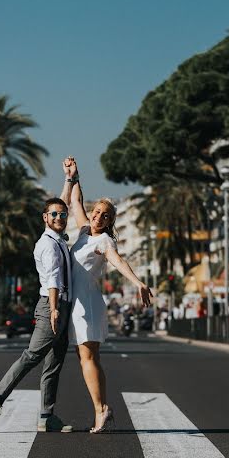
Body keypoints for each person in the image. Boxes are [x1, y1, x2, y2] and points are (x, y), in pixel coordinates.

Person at [60, 156, 152, 433]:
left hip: (84, 303)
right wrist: (74, 175)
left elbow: (117, 260)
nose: (99, 217)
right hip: (79, 301)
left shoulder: (104, 240)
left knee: (87, 358)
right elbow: (76, 201)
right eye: (97, 212)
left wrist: (137, 282)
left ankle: (101, 410)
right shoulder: (86, 231)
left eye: (105, 215)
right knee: (88, 358)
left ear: (111, 221)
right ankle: (102, 407)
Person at [0, 196, 74, 434]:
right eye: (53, 214)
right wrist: (54, 309)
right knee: (32, 355)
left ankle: (46, 416)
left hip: (63, 306)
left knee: (54, 363)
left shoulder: (59, 239)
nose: (59, 218)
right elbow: (53, 279)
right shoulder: (49, 245)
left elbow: (62, 201)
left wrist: (70, 179)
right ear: (44, 218)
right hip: (52, 305)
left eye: (63, 214)